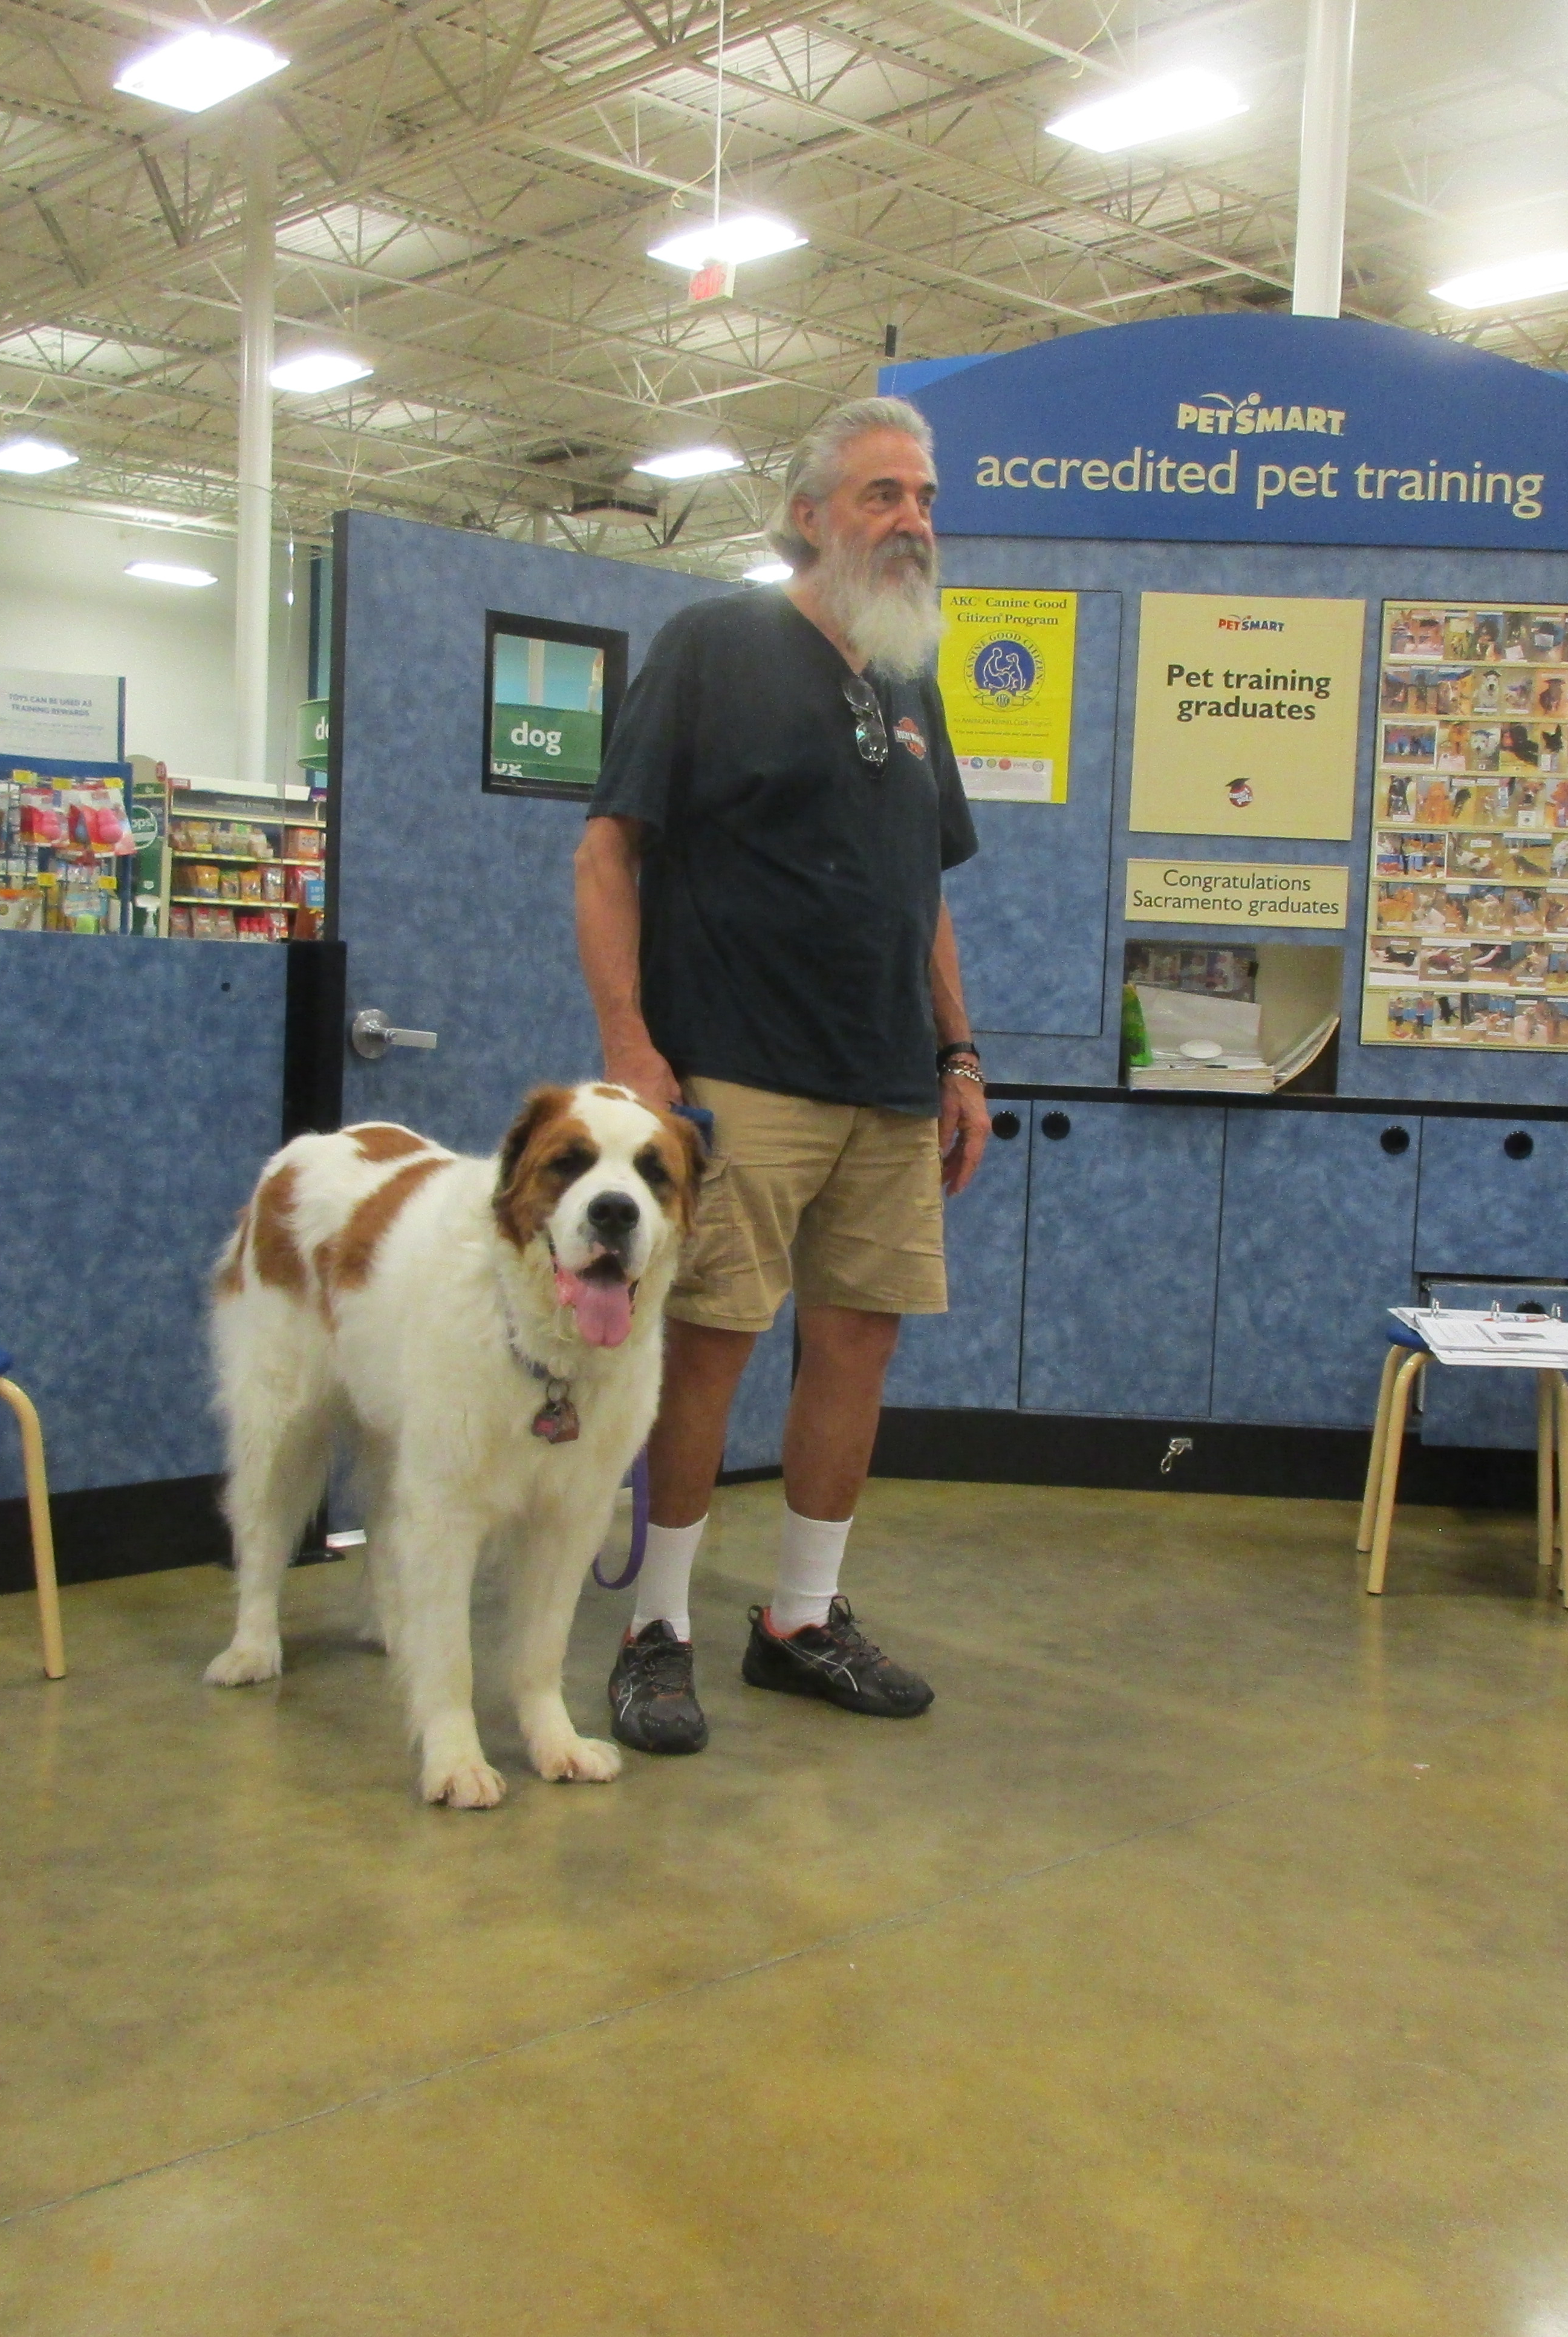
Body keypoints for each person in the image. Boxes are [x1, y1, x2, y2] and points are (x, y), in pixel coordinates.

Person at [572, 394, 989, 1756]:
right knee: (709, 1347)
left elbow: (923, 893)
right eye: (882, 495)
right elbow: (607, 852)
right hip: (739, 1073)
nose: (912, 520)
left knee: (857, 1346)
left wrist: (958, 1055)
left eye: (923, 498)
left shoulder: (910, 680)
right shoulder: (712, 645)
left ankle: (800, 1620)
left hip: (889, 1084)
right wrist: (631, 1049)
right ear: (809, 516)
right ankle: (656, 1630)